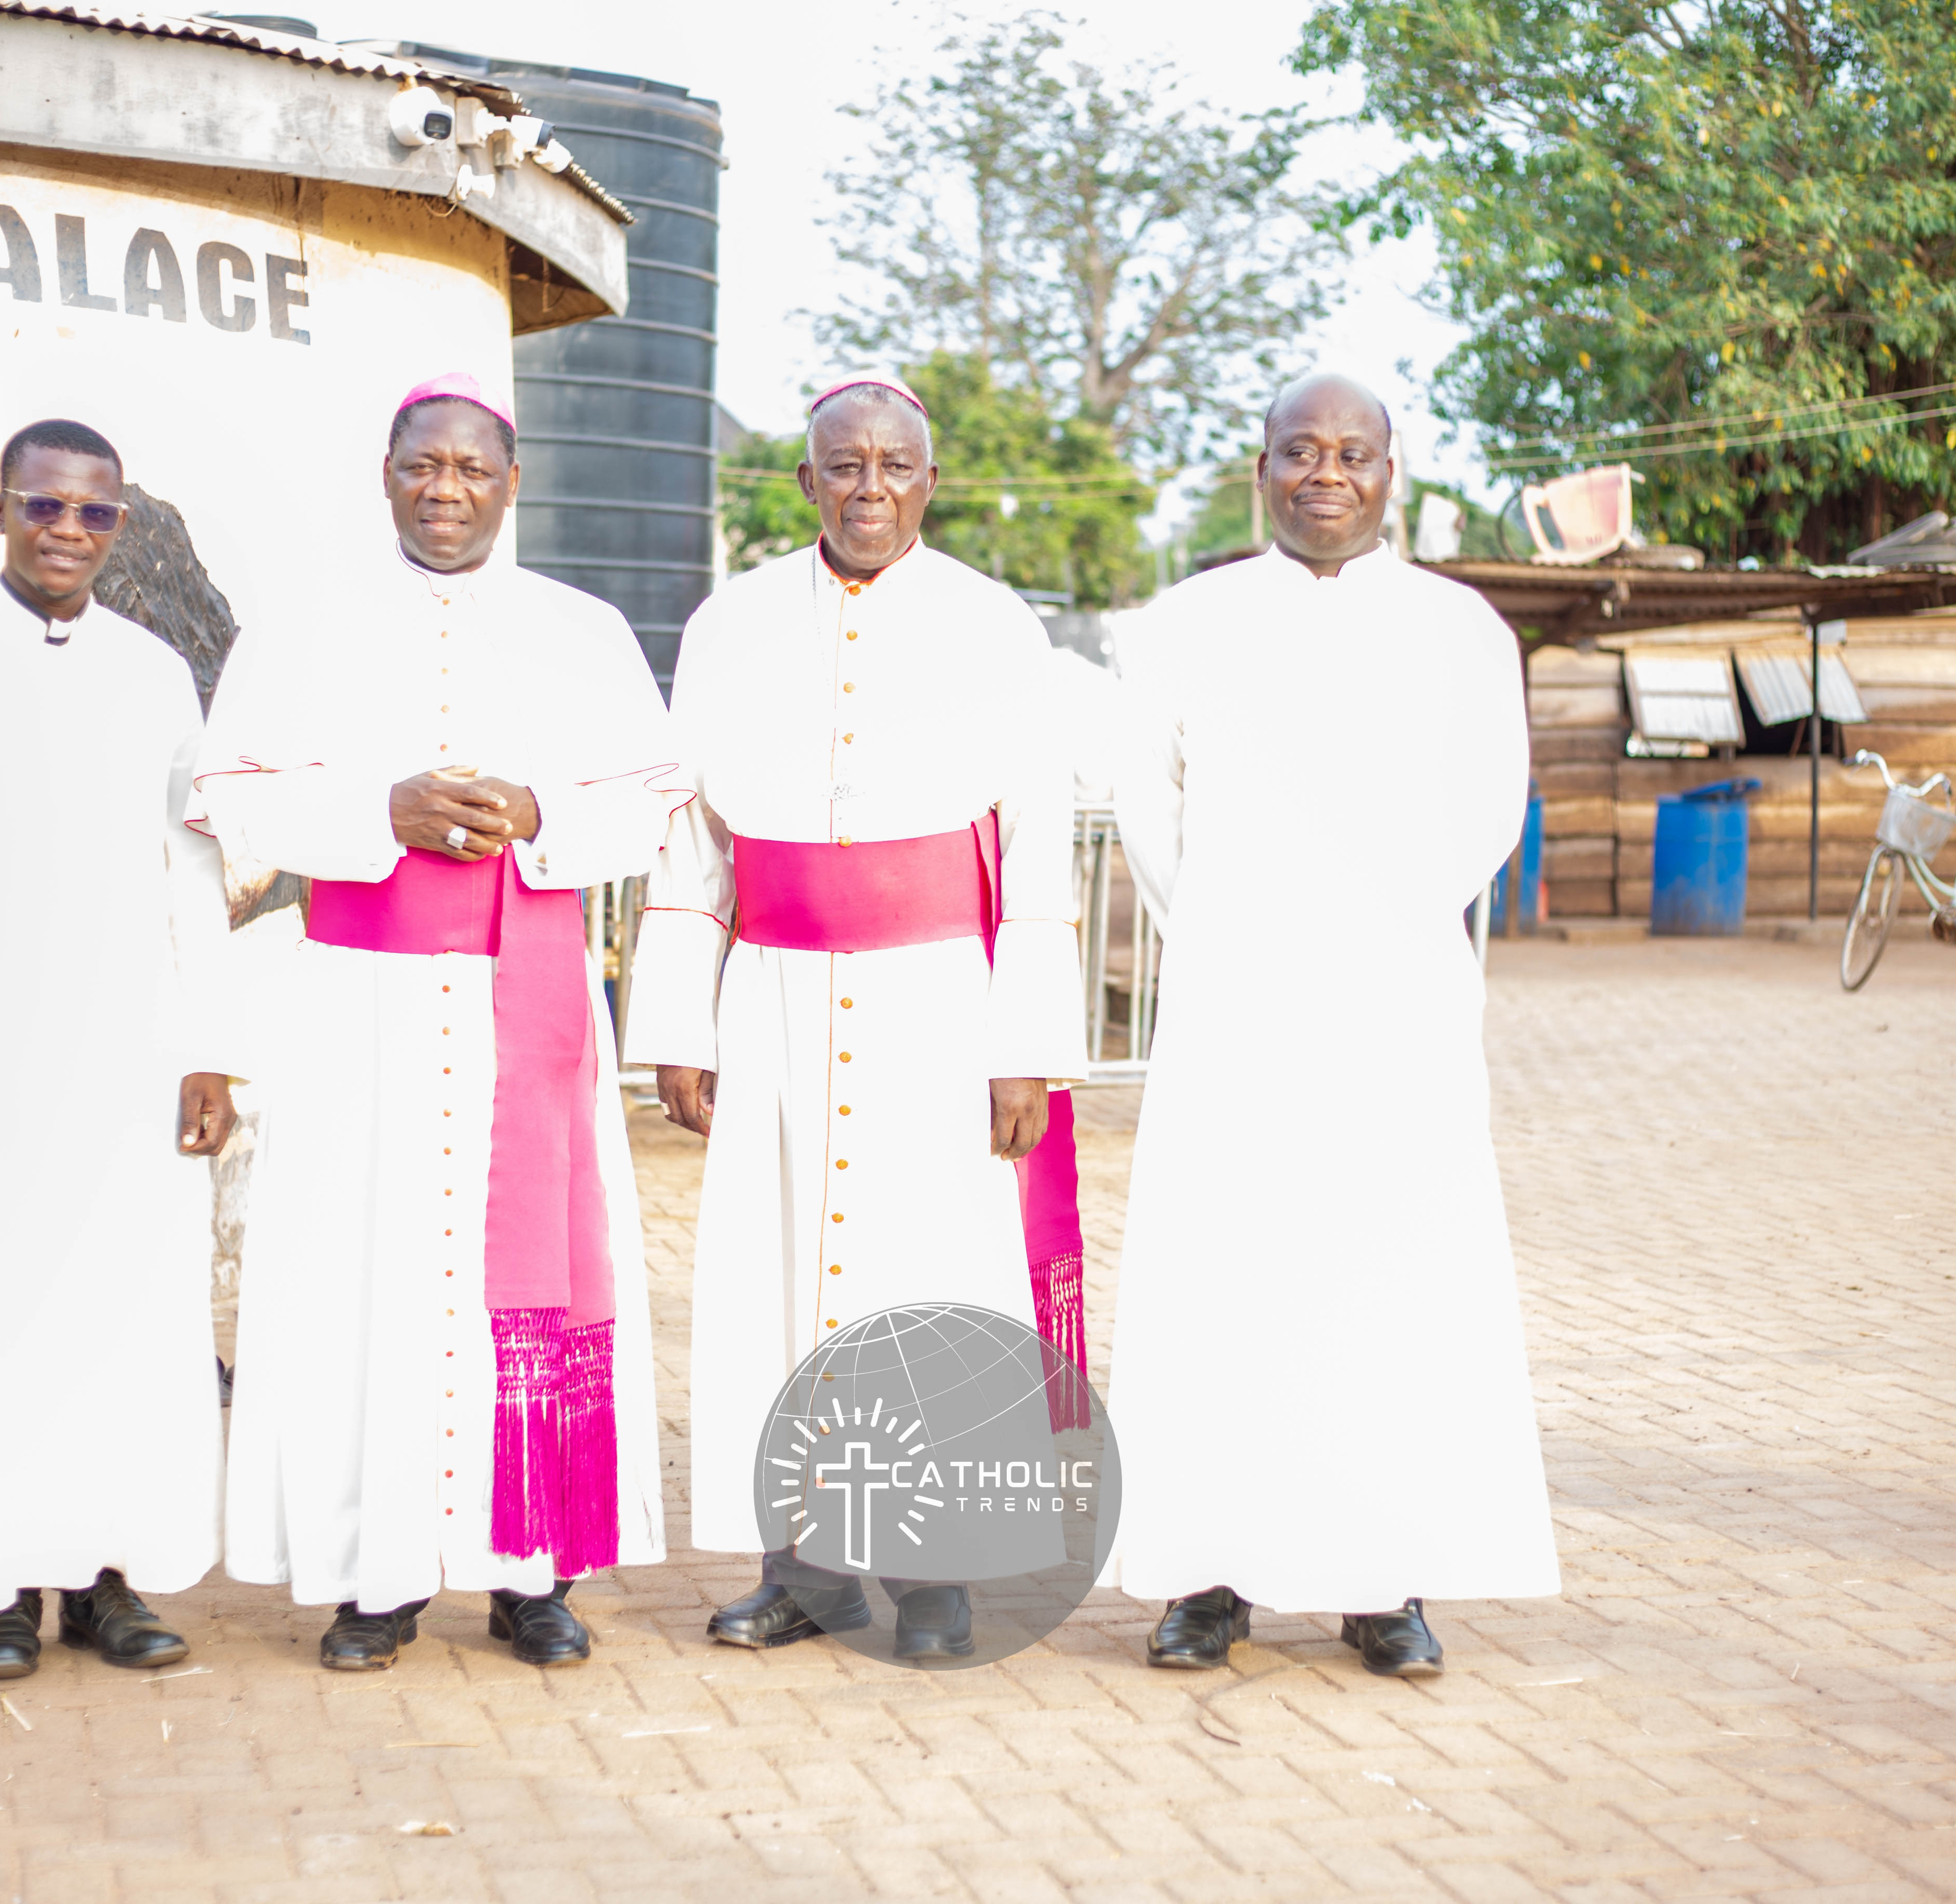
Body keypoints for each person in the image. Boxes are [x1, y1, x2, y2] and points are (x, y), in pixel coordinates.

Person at [195, 373, 677, 1671]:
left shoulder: (580, 629)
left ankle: (533, 1574)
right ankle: (377, 1576)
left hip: (532, 999)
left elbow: (653, 803)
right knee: (370, 1283)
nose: (447, 490)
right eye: (423, 467)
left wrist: (538, 811)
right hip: (366, 1007)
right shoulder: (301, 628)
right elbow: (226, 797)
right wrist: (374, 811)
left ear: (509, 483)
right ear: (388, 476)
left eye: (473, 469)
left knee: (537, 1287)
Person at [1104, 372, 1560, 1676]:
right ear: (1259, 469)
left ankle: (1380, 1582)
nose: (1324, 473)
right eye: (1298, 451)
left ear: (1388, 473)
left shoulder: (1462, 629)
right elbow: (1148, 811)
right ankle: (1204, 1577)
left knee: (1383, 1281)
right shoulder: (1180, 624)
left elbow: (1485, 812)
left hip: (1393, 1007)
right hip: (1235, 1003)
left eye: (1350, 453)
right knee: (1221, 1278)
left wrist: (1371, 932)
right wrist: (1240, 937)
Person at [627, 375, 1086, 1661]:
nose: (867, 489)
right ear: (804, 481)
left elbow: (1038, 844)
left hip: (936, 1000)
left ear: (927, 484)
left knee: (927, 1273)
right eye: (842, 467)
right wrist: (679, 1019)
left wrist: (1026, 1050)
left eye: (893, 467)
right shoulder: (726, 626)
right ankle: (799, 1568)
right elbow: (691, 843)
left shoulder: (995, 627)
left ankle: (933, 1575)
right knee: (775, 1276)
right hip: (771, 987)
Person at [0, 418, 240, 1681]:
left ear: (119, 525)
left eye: (95, 513)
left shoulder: (156, 674)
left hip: (133, 1052)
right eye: (46, 507)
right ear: (2, 512)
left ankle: (112, 1585)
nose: (69, 530)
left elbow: (191, 867)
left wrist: (208, 1049)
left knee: (130, 1320)